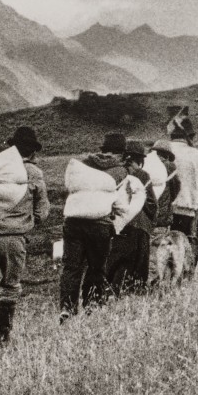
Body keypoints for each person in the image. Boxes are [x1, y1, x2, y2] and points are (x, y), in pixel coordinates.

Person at [0, 126, 48, 345]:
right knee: (10, 287)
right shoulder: (34, 173)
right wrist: (27, 221)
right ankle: (2, 340)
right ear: (32, 152)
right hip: (14, 238)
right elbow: (43, 210)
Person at [60, 134, 135, 320]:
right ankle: (91, 307)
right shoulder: (120, 171)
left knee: (71, 267)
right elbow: (121, 202)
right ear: (121, 153)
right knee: (96, 268)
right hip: (100, 224)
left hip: (73, 221)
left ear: (103, 149)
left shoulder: (84, 164)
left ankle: (67, 308)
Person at [164, 111, 198, 272]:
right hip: (185, 210)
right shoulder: (197, 155)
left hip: (161, 210)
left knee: (160, 248)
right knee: (181, 250)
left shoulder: (160, 152)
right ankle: (178, 282)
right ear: (190, 136)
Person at [104, 139, 155, 295]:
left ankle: (109, 294)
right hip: (140, 228)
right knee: (138, 268)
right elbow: (152, 204)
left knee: (114, 263)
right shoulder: (143, 175)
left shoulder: (112, 172)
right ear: (140, 160)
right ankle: (132, 297)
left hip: (116, 225)